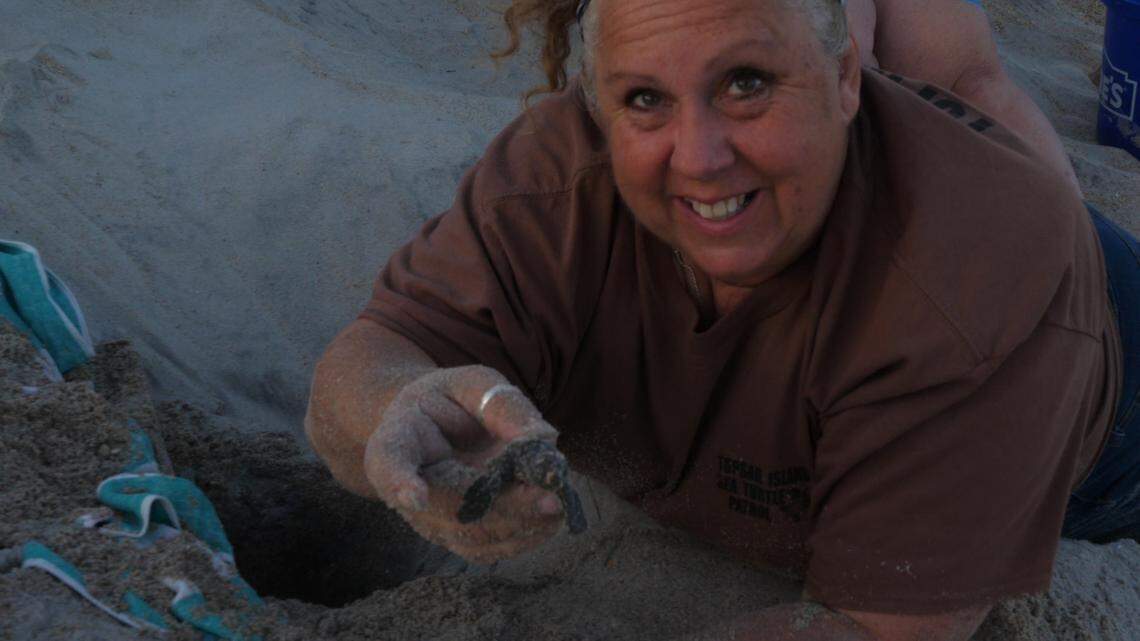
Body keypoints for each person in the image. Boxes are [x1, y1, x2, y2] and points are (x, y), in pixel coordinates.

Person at [305, 0, 1136, 639]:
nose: (698, 156)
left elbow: (877, 627)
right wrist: (392, 408)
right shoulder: (552, 181)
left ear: (849, 75)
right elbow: (369, 364)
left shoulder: (972, 293)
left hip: (1104, 400)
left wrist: (1043, 255)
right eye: (645, 100)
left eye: (747, 85)